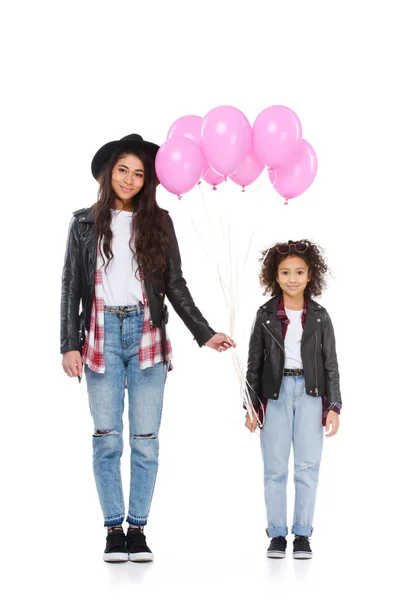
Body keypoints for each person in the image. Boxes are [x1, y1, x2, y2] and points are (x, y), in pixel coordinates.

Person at [60, 133, 235, 563]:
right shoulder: (83, 223)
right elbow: (71, 286)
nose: (130, 179)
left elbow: (174, 283)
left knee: (145, 440)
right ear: (108, 172)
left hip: (147, 336)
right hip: (100, 336)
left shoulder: (159, 222)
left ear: (147, 181)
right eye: (123, 170)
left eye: (139, 174)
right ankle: (112, 529)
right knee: (106, 439)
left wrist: (204, 331)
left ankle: (137, 529)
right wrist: (69, 344)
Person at [244, 240, 341, 559]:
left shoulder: (320, 316)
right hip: (275, 395)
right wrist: (251, 406)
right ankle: (276, 534)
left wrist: (334, 407)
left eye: (299, 272)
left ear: (311, 274)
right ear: (275, 275)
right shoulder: (265, 314)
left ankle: (302, 534)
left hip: (312, 395)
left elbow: (330, 364)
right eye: (285, 272)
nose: (292, 278)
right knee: (274, 468)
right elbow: (253, 363)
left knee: (307, 466)